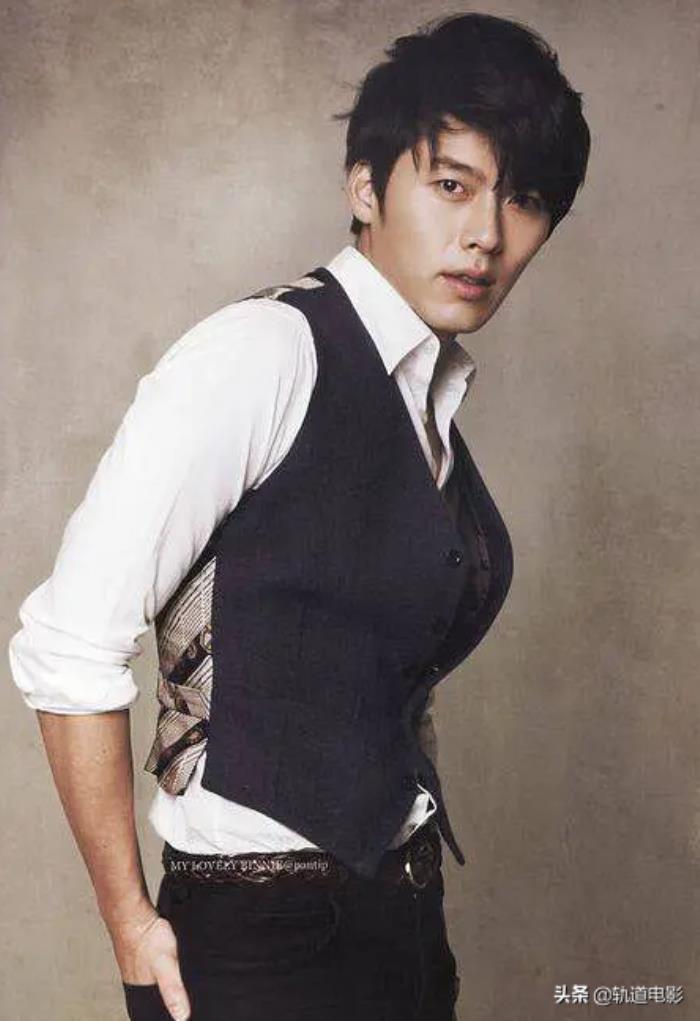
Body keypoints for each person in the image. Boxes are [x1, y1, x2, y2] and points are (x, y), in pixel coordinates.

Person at [8, 11, 590, 1021]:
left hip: (403, 923)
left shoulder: (427, 397)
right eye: (452, 185)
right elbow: (66, 644)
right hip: (259, 943)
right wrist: (129, 922)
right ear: (365, 187)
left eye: (525, 200)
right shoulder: (264, 352)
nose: (487, 235)